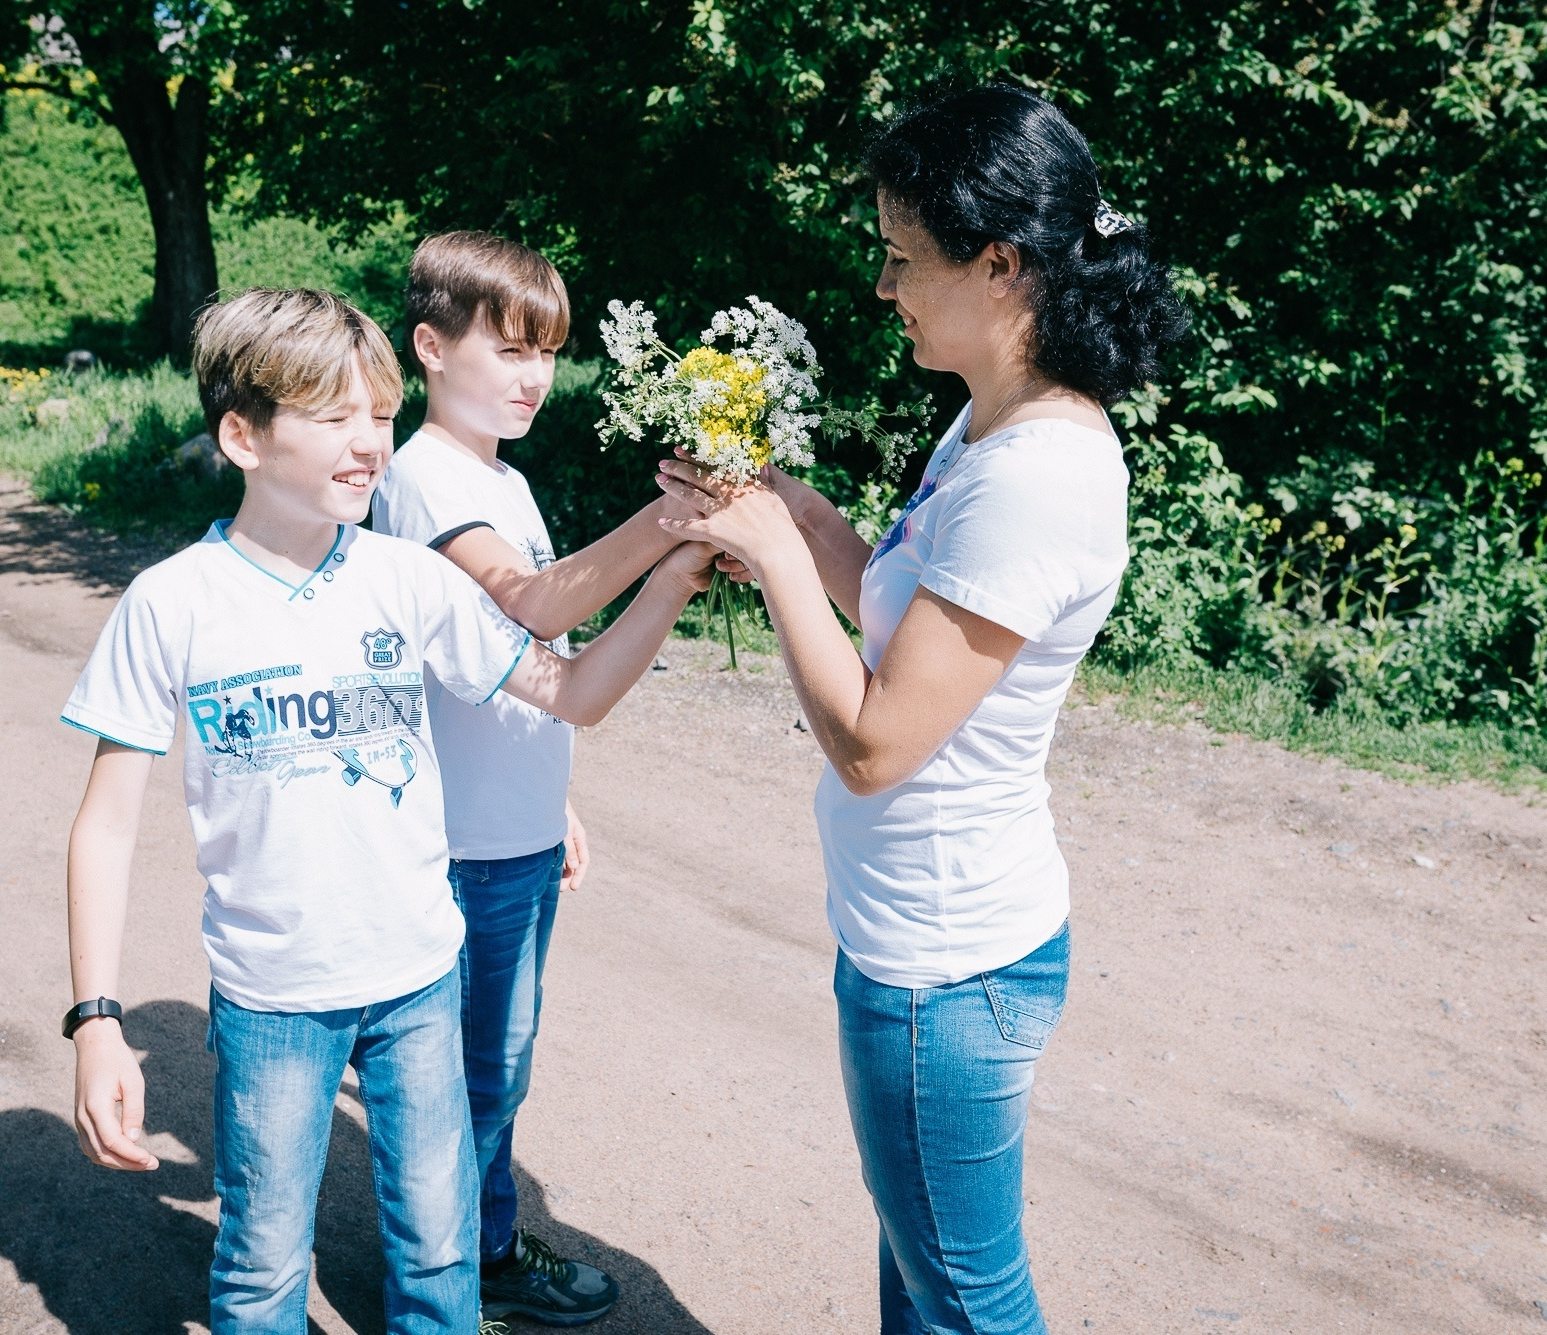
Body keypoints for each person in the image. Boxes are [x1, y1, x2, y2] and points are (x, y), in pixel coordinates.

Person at [59, 287, 716, 1335]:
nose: (370, 444)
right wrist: (97, 1025)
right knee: (262, 1268)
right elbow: (102, 826)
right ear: (241, 433)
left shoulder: (408, 581)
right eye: (334, 418)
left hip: (421, 979)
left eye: (378, 413)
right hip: (272, 998)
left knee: (440, 1256)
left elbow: (572, 694)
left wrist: (673, 575)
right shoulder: (170, 604)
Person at [652, 86, 1188, 1334]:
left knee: (964, 1302)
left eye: (902, 259)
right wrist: (790, 512)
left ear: (998, 266)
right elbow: (900, 607)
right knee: (922, 1273)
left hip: (941, 971)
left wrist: (775, 564)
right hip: (926, 941)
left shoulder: (1037, 476)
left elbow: (878, 745)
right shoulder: (990, 423)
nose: (883, 288)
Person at [370, 230, 696, 1325]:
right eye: (508, 348)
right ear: (428, 345)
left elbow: (496, 674)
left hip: (507, 834)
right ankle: (456, 1286)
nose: (532, 376)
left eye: (546, 352)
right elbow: (534, 608)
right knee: (462, 1083)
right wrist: (669, 522)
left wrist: (549, 797)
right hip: (457, 853)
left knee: (490, 1073)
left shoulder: (495, 476)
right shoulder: (422, 480)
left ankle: (481, 1257)